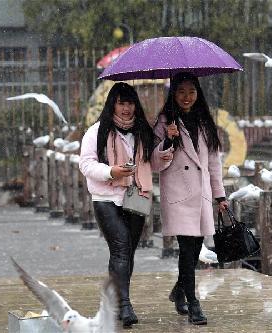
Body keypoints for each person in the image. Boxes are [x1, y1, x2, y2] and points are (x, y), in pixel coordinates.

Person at [79, 82, 173, 328]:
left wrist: (165, 148)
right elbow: (86, 165)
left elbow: (151, 163)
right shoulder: (97, 132)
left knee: (127, 251)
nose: (126, 109)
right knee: (121, 247)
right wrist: (112, 171)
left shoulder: (143, 131)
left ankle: (115, 301)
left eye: (130, 103)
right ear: (113, 104)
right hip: (106, 198)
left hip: (137, 195)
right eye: (121, 103)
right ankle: (125, 305)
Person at [152, 72, 228, 325]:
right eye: (181, 92)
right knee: (186, 249)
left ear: (198, 94)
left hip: (202, 193)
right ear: (173, 93)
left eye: (191, 92)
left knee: (194, 250)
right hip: (178, 194)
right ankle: (194, 302)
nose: (187, 97)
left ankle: (179, 290)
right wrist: (168, 141)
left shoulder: (205, 121)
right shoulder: (164, 122)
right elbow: (154, 163)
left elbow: (214, 163)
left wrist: (220, 195)